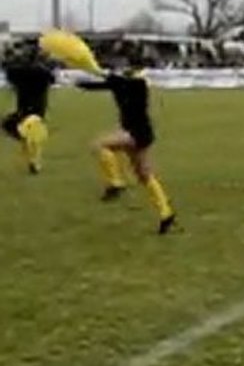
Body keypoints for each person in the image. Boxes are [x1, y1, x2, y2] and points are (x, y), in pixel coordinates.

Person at [77, 53, 176, 235]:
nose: (124, 68)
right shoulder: (123, 82)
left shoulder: (138, 83)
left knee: (100, 145)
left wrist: (100, 72)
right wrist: (82, 84)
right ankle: (166, 213)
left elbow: (118, 82)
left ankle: (115, 183)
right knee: (144, 176)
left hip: (135, 132)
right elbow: (104, 85)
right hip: (141, 133)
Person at [2, 46, 55, 175]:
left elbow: (8, 69)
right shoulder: (42, 71)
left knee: (13, 127)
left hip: (23, 110)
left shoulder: (17, 71)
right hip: (37, 110)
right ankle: (34, 162)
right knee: (31, 136)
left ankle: (33, 162)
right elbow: (51, 78)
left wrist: (10, 56)